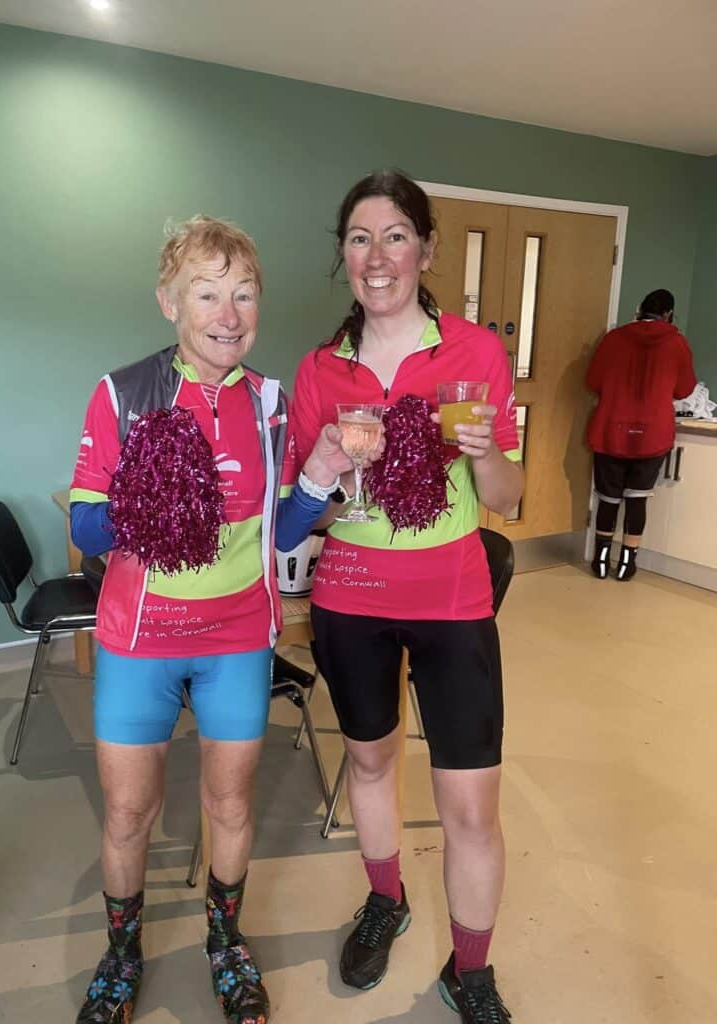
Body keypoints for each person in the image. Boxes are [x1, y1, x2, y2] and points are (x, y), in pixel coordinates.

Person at [69, 216, 352, 1024]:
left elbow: (285, 530)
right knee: (129, 811)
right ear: (170, 303)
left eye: (244, 294)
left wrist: (323, 477)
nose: (228, 313)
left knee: (229, 805)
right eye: (207, 293)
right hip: (138, 637)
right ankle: (121, 957)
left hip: (236, 635)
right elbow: (86, 522)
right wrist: (148, 499)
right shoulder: (123, 393)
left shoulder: (269, 402)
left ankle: (225, 944)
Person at [293, 172, 524, 1022]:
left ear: (426, 250)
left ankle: (472, 970)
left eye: (396, 236)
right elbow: (302, 510)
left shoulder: (474, 353)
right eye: (359, 237)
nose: (377, 255)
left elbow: (505, 495)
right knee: (370, 760)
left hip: (453, 597)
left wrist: (486, 450)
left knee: (470, 802)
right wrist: (323, 469)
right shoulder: (322, 366)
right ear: (344, 257)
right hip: (350, 595)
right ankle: (385, 899)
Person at [586, 288, 696, 581]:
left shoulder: (614, 339)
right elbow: (684, 389)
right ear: (668, 314)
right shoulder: (677, 343)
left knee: (608, 499)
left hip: (612, 429)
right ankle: (626, 564)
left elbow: (593, 380)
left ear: (639, 309)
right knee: (638, 499)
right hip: (653, 435)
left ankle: (599, 560)